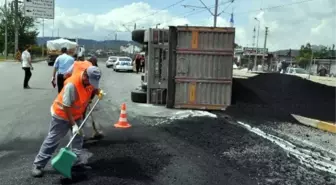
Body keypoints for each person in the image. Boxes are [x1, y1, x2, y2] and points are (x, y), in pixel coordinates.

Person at [31, 66, 103, 178]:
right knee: (53, 139)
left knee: (78, 138)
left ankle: (76, 162)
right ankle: (38, 165)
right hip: (61, 114)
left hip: (76, 114)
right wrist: (73, 124)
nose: (91, 83)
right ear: (85, 75)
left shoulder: (88, 81)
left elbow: (92, 88)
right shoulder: (72, 85)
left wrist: (98, 92)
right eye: (90, 81)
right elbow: (66, 106)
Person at [64, 56, 103, 140]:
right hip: (77, 92)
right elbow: (66, 76)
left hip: (84, 94)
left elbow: (66, 75)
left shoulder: (81, 66)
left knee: (81, 114)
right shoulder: (82, 67)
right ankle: (77, 133)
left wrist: (96, 93)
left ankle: (79, 133)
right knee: (78, 114)